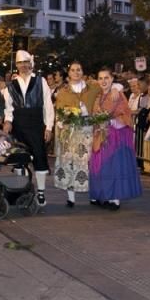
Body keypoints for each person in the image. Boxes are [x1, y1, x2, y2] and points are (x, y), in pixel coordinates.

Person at [4, 50, 55, 206]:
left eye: (26, 62)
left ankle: (40, 192)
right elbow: (8, 108)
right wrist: (8, 121)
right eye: (20, 63)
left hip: (36, 124)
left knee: (39, 157)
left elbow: (48, 105)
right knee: (19, 158)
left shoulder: (41, 81)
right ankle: (22, 189)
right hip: (18, 126)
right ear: (17, 65)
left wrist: (49, 127)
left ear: (30, 63)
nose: (23, 66)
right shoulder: (10, 85)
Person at [89, 68, 142, 210]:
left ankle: (114, 198)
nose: (103, 81)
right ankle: (103, 195)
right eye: (100, 78)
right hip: (100, 136)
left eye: (106, 78)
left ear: (112, 79)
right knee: (101, 167)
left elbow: (125, 113)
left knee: (113, 167)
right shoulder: (98, 96)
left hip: (115, 137)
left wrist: (111, 121)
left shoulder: (117, 95)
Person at [52, 62, 101, 206]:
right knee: (69, 163)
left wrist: (118, 88)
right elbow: (60, 113)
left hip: (87, 131)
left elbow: (107, 88)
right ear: (69, 73)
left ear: (83, 72)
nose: (76, 72)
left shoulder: (93, 88)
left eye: (79, 70)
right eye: (73, 70)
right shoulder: (63, 92)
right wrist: (61, 123)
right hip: (70, 132)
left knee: (89, 163)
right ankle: (70, 197)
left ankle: (94, 195)